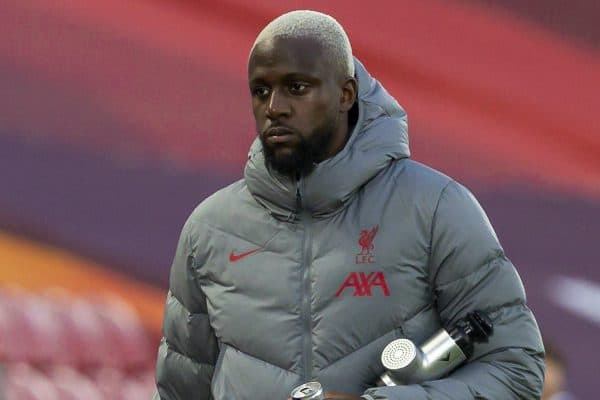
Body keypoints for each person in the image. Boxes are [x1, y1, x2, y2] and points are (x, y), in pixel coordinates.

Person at [153, 10, 544, 400]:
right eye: (261, 91)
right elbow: (177, 393)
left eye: (297, 87)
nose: (274, 108)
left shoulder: (436, 208)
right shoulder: (209, 228)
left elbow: (515, 371)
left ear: (346, 94)